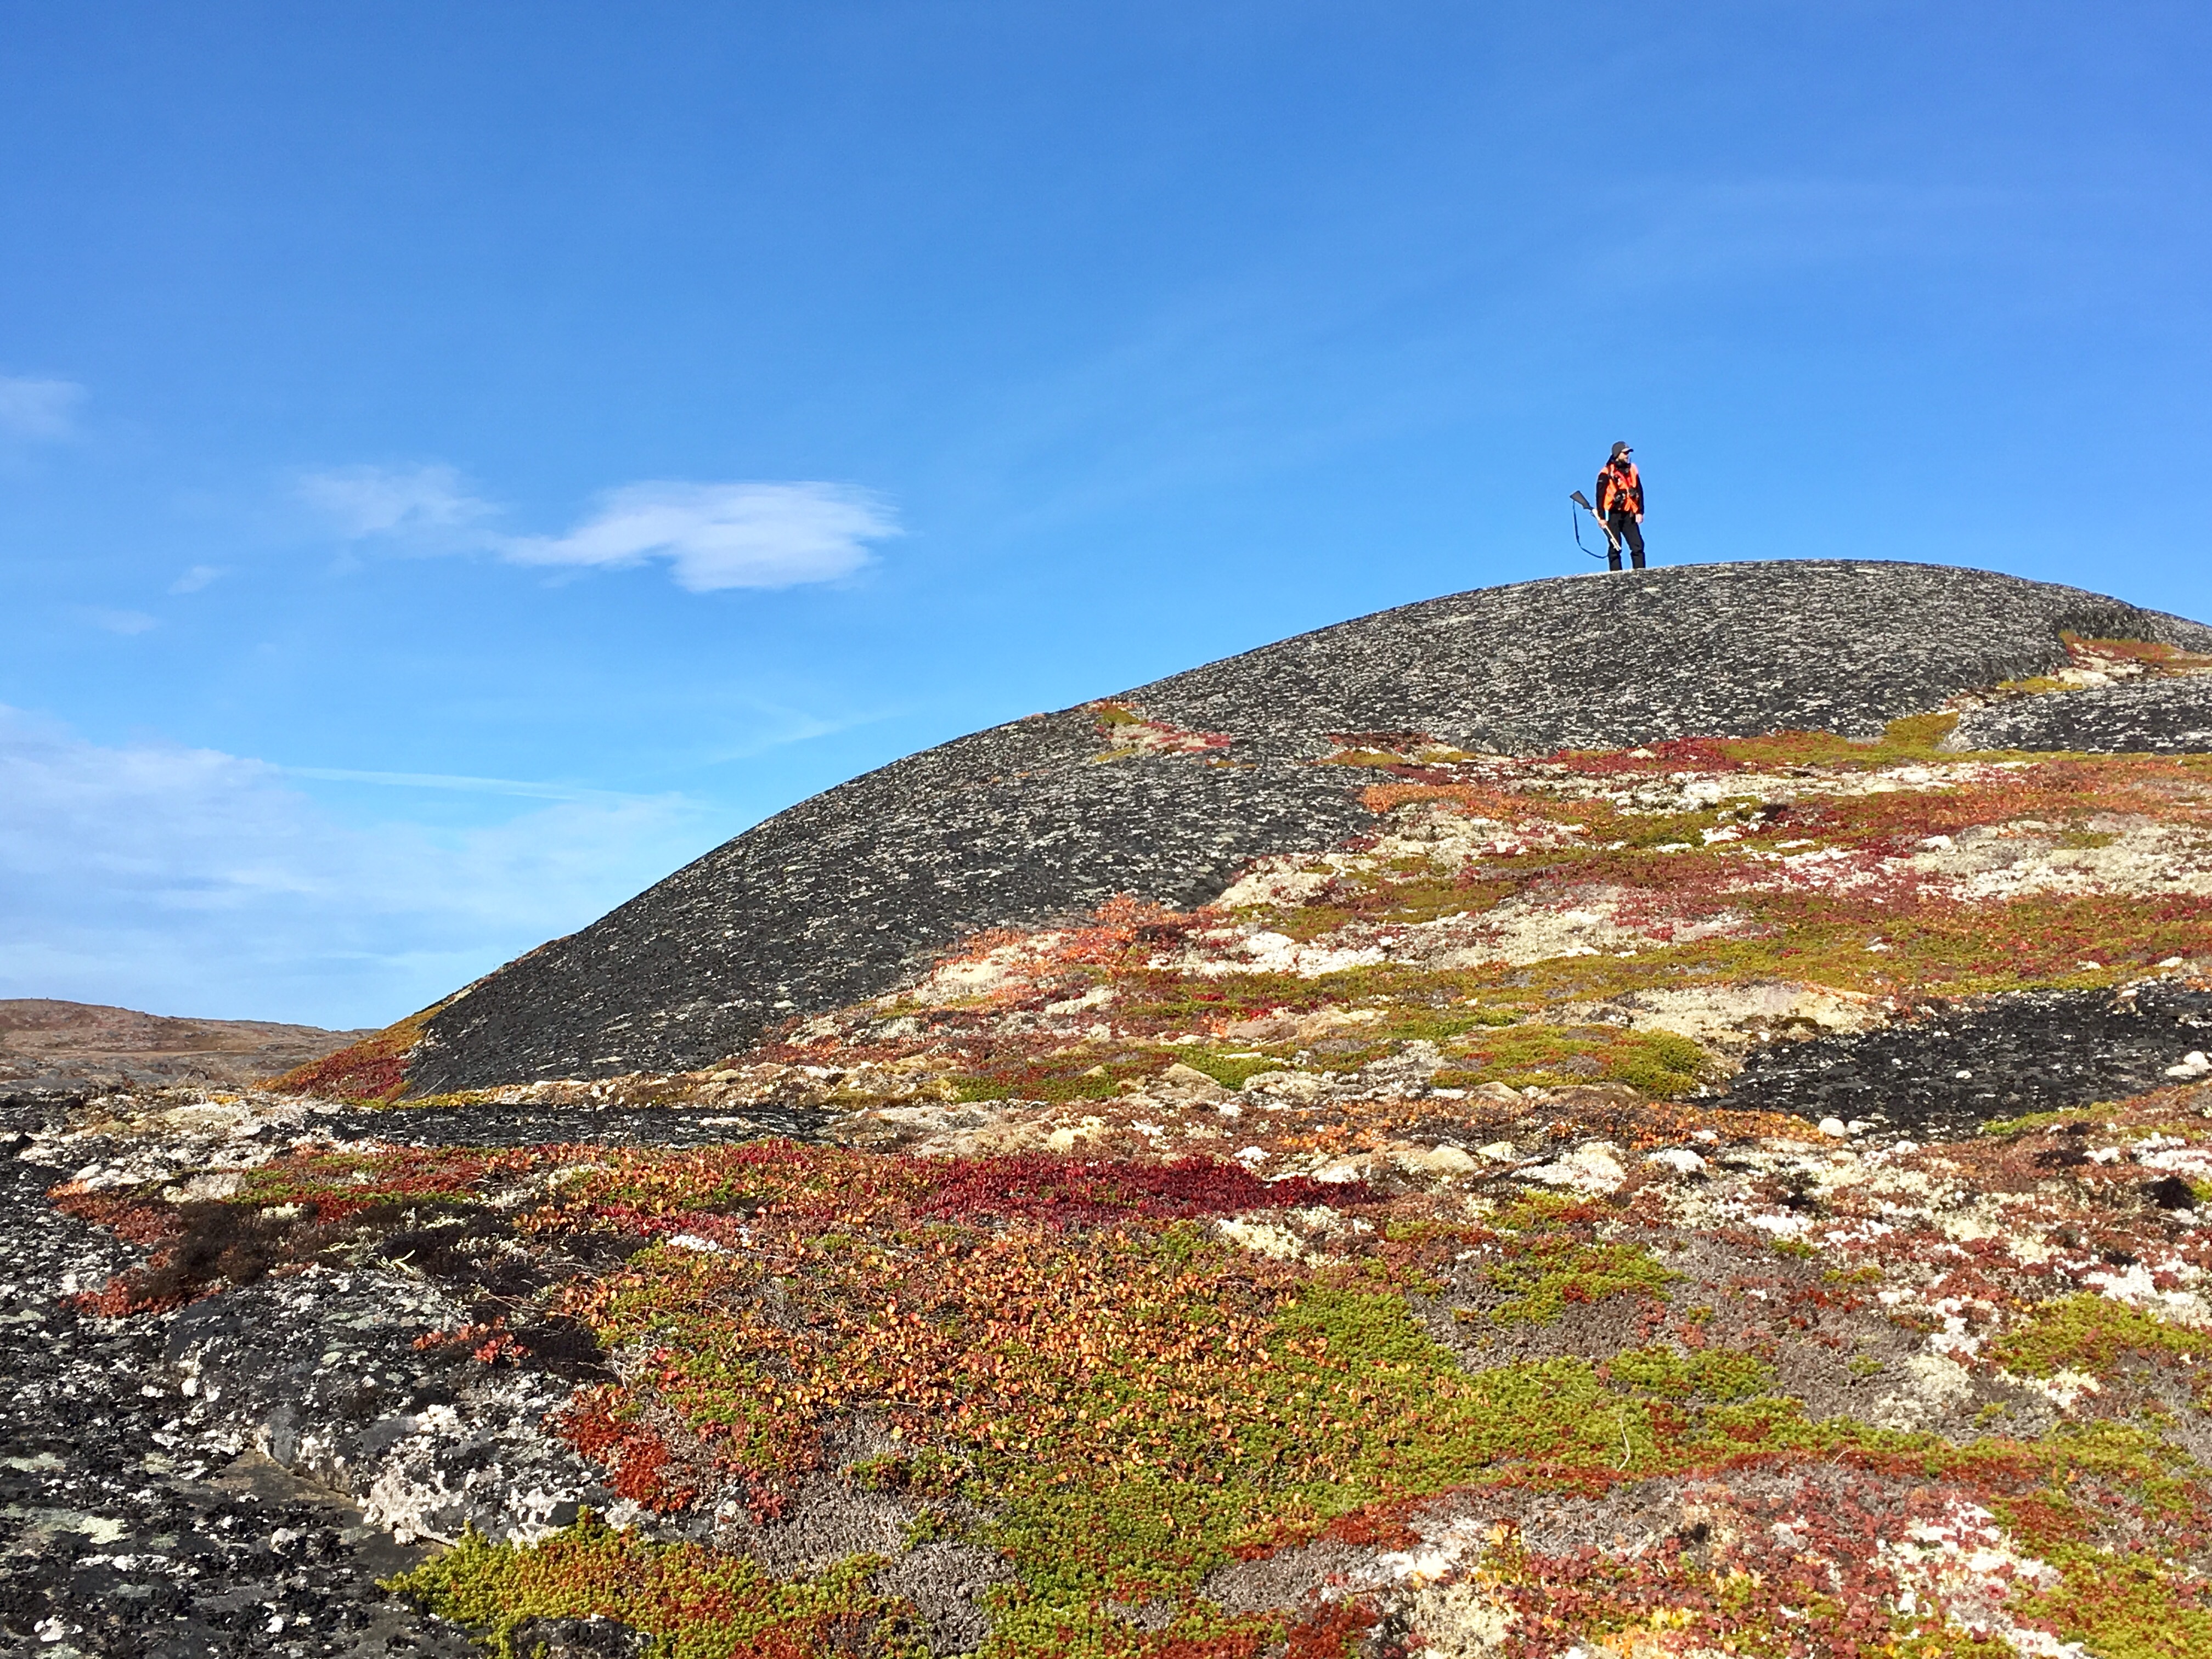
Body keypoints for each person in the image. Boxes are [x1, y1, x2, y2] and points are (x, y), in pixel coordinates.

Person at [1595, 441, 1645, 571]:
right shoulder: (1606, 473)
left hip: (1629, 514)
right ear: (1617, 454)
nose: (1628, 455)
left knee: (1638, 546)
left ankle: (1641, 574)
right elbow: (1600, 496)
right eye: (1625, 453)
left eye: (1628, 453)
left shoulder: (1632, 469)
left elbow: (1639, 490)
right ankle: (1616, 577)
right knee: (1615, 546)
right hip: (1612, 515)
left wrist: (1640, 511)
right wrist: (1602, 518)